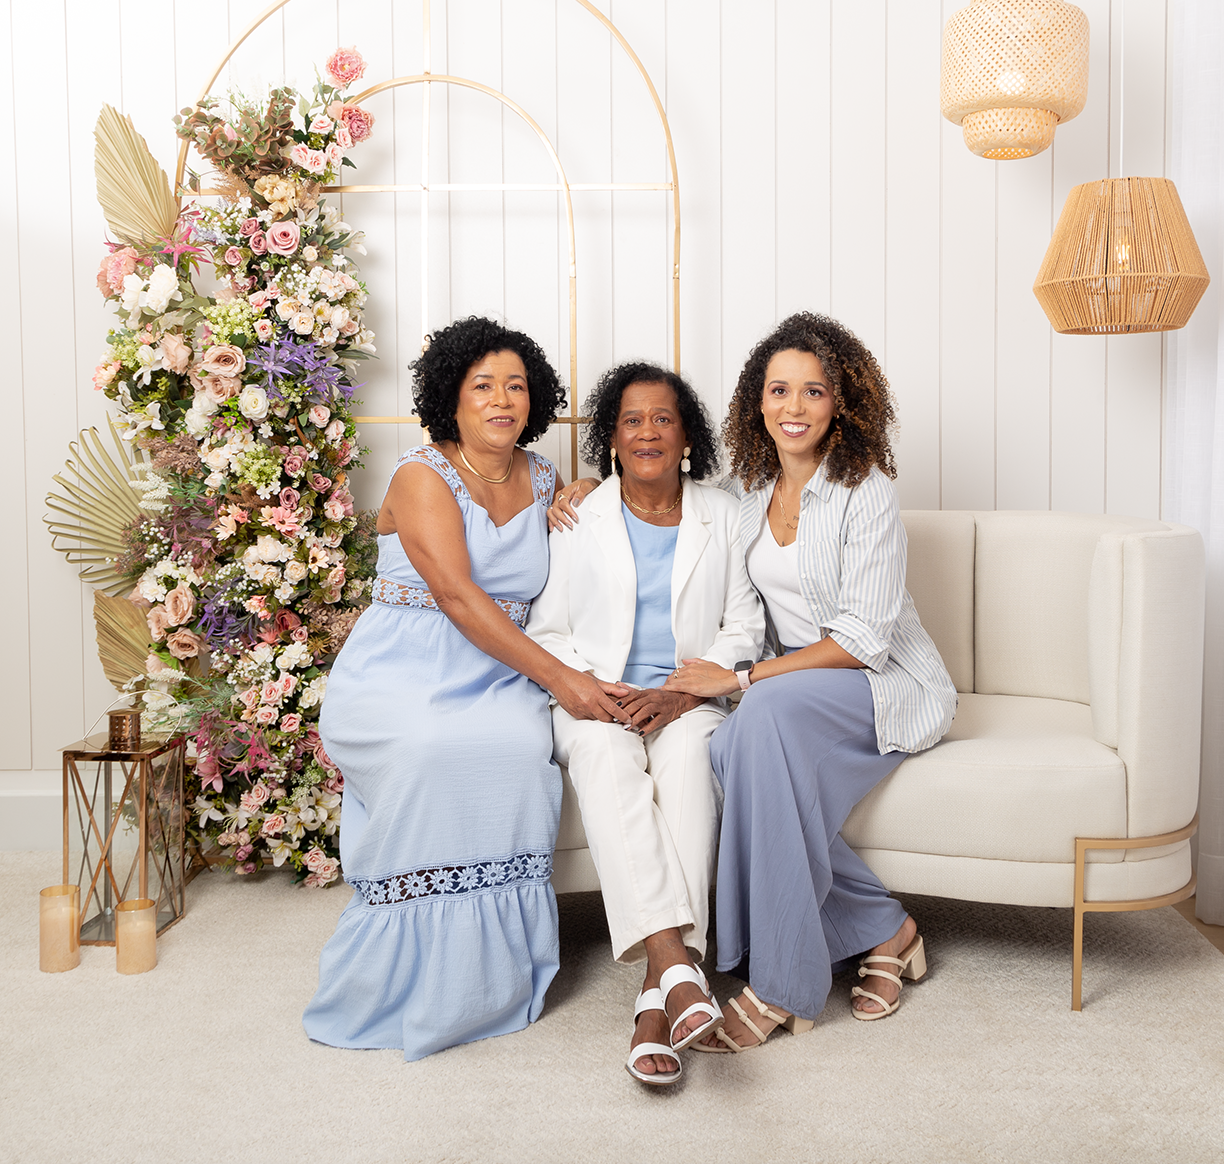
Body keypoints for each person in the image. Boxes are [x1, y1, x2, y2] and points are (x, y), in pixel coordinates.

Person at [304, 316, 630, 1061]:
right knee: (428, 751)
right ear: (451, 396)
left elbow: (584, 560)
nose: (501, 400)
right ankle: (403, 983)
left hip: (501, 672)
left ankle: (487, 983)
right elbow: (455, 595)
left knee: (516, 751)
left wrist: (587, 494)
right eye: (483, 385)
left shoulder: (544, 479)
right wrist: (564, 680)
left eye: (516, 386)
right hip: (403, 667)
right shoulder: (421, 476)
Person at [664, 312, 956, 1049]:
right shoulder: (747, 489)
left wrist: (742, 677)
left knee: (756, 717)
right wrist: (582, 489)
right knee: (726, 750)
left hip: (880, 681)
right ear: (756, 402)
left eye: (814, 392)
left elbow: (864, 639)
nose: (794, 407)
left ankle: (783, 984)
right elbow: (671, 495)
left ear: (841, 404)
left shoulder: (867, 490)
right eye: (779, 390)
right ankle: (887, 929)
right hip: (792, 692)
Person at [525, 362, 764, 1085]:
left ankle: (656, 1004)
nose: (648, 432)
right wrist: (595, 691)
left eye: (664, 418)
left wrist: (681, 695)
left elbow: (744, 628)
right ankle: (677, 967)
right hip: (597, 698)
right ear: (612, 436)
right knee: (604, 760)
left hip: (687, 698)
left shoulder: (725, 514)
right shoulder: (577, 515)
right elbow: (548, 629)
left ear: (687, 436)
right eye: (632, 420)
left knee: (689, 766)